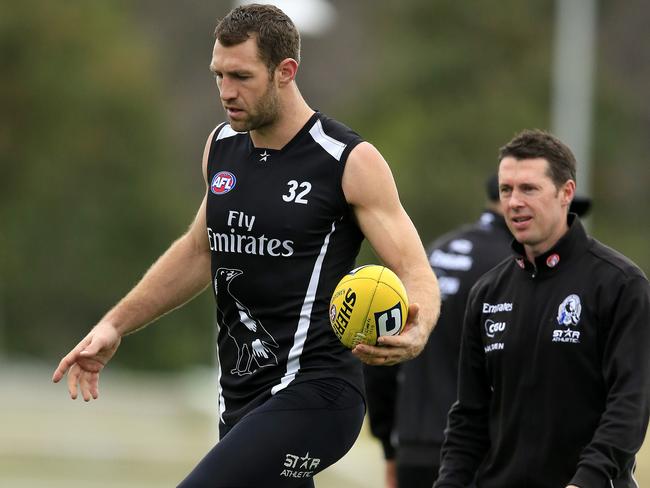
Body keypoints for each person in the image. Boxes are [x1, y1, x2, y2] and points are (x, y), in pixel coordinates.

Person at [51, 4, 440, 488]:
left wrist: (417, 328)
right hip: (241, 402)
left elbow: (415, 269)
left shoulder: (347, 160)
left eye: (240, 76)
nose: (226, 92)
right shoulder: (222, 146)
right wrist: (115, 325)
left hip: (317, 395)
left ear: (285, 72)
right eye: (218, 75)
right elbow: (200, 250)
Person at [435, 129, 650, 488]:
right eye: (506, 190)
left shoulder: (620, 284)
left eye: (528, 189)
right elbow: (469, 417)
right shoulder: (487, 292)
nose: (514, 202)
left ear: (566, 193)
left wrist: (587, 481)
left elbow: (629, 405)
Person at [365, 177, 592, 488]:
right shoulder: (515, 270)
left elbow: (382, 354)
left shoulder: (431, 255)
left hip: (415, 452)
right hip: (482, 458)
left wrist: (392, 447)